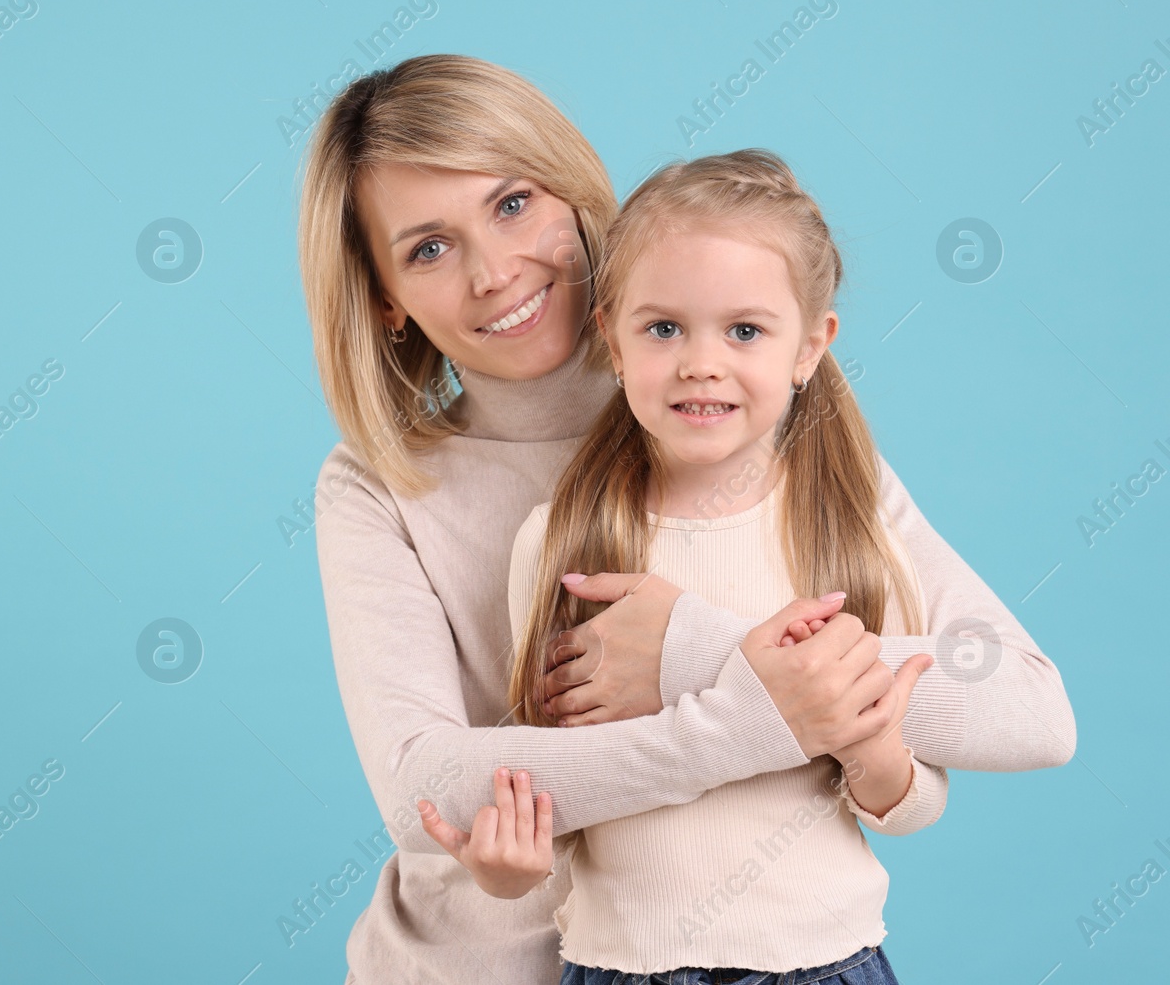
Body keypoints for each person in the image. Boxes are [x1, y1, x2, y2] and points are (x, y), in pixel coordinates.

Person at [298, 54, 1074, 985]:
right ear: (385, 298)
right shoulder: (378, 486)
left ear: (575, 193)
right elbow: (425, 783)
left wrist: (696, 649)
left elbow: (1025, 706)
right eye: (429, 247)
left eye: (513, 204)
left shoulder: (757, 423)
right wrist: (748, 722)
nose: (496, 271)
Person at [420, 149, 1014, 983]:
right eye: (664, 328)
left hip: (825, 961)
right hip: (624, 965)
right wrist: (511, 866)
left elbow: (910, 801)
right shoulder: (564, 544)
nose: (702, 361)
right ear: (614, 342)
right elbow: (559, 788)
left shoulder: (847, 530)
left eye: (745, 330)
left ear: (810, 347)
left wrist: (876, 752)